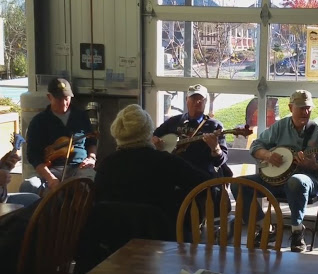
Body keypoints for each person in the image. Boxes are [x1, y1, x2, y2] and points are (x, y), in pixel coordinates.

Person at [232, 90, 318, 252]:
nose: (306, 112)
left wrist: (314, 165)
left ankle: (297, 231)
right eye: (301, 108)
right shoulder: (279, 127)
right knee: (238, 185)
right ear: (290, 107)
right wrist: (267, 155)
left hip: (308, 180)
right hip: (276, 180)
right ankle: (264, 228)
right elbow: (255, 146)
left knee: (296, 181)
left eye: (308, 108)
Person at [94, 104, 212, 240]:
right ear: (148, 132)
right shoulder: (166, 161)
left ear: (117, 132)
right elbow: (206, 185)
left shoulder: (106, 164)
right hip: (162, 243)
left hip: (112, 242)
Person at [19, 77, 97, 194]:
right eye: (59, 99)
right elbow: (33, 155)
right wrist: (51, 178)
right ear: (49, 97)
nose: (64, 103)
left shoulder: (81, 116)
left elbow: (92, 142)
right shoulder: (39, 121)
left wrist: (91, 158)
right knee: (29, 186)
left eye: (66, 98)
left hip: (79, 167)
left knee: (91, 183)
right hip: (51, 169)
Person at [152, 84, 230, 179]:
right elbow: (153, 137)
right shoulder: (173, 121)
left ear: (205, 102)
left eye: (201, 99)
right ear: (186, 100)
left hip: (200, 179)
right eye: (193, 98)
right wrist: (156, 143)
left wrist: (215, 148)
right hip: (171, 175)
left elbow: (220, 161)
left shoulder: (215, 126)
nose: (197, 102)